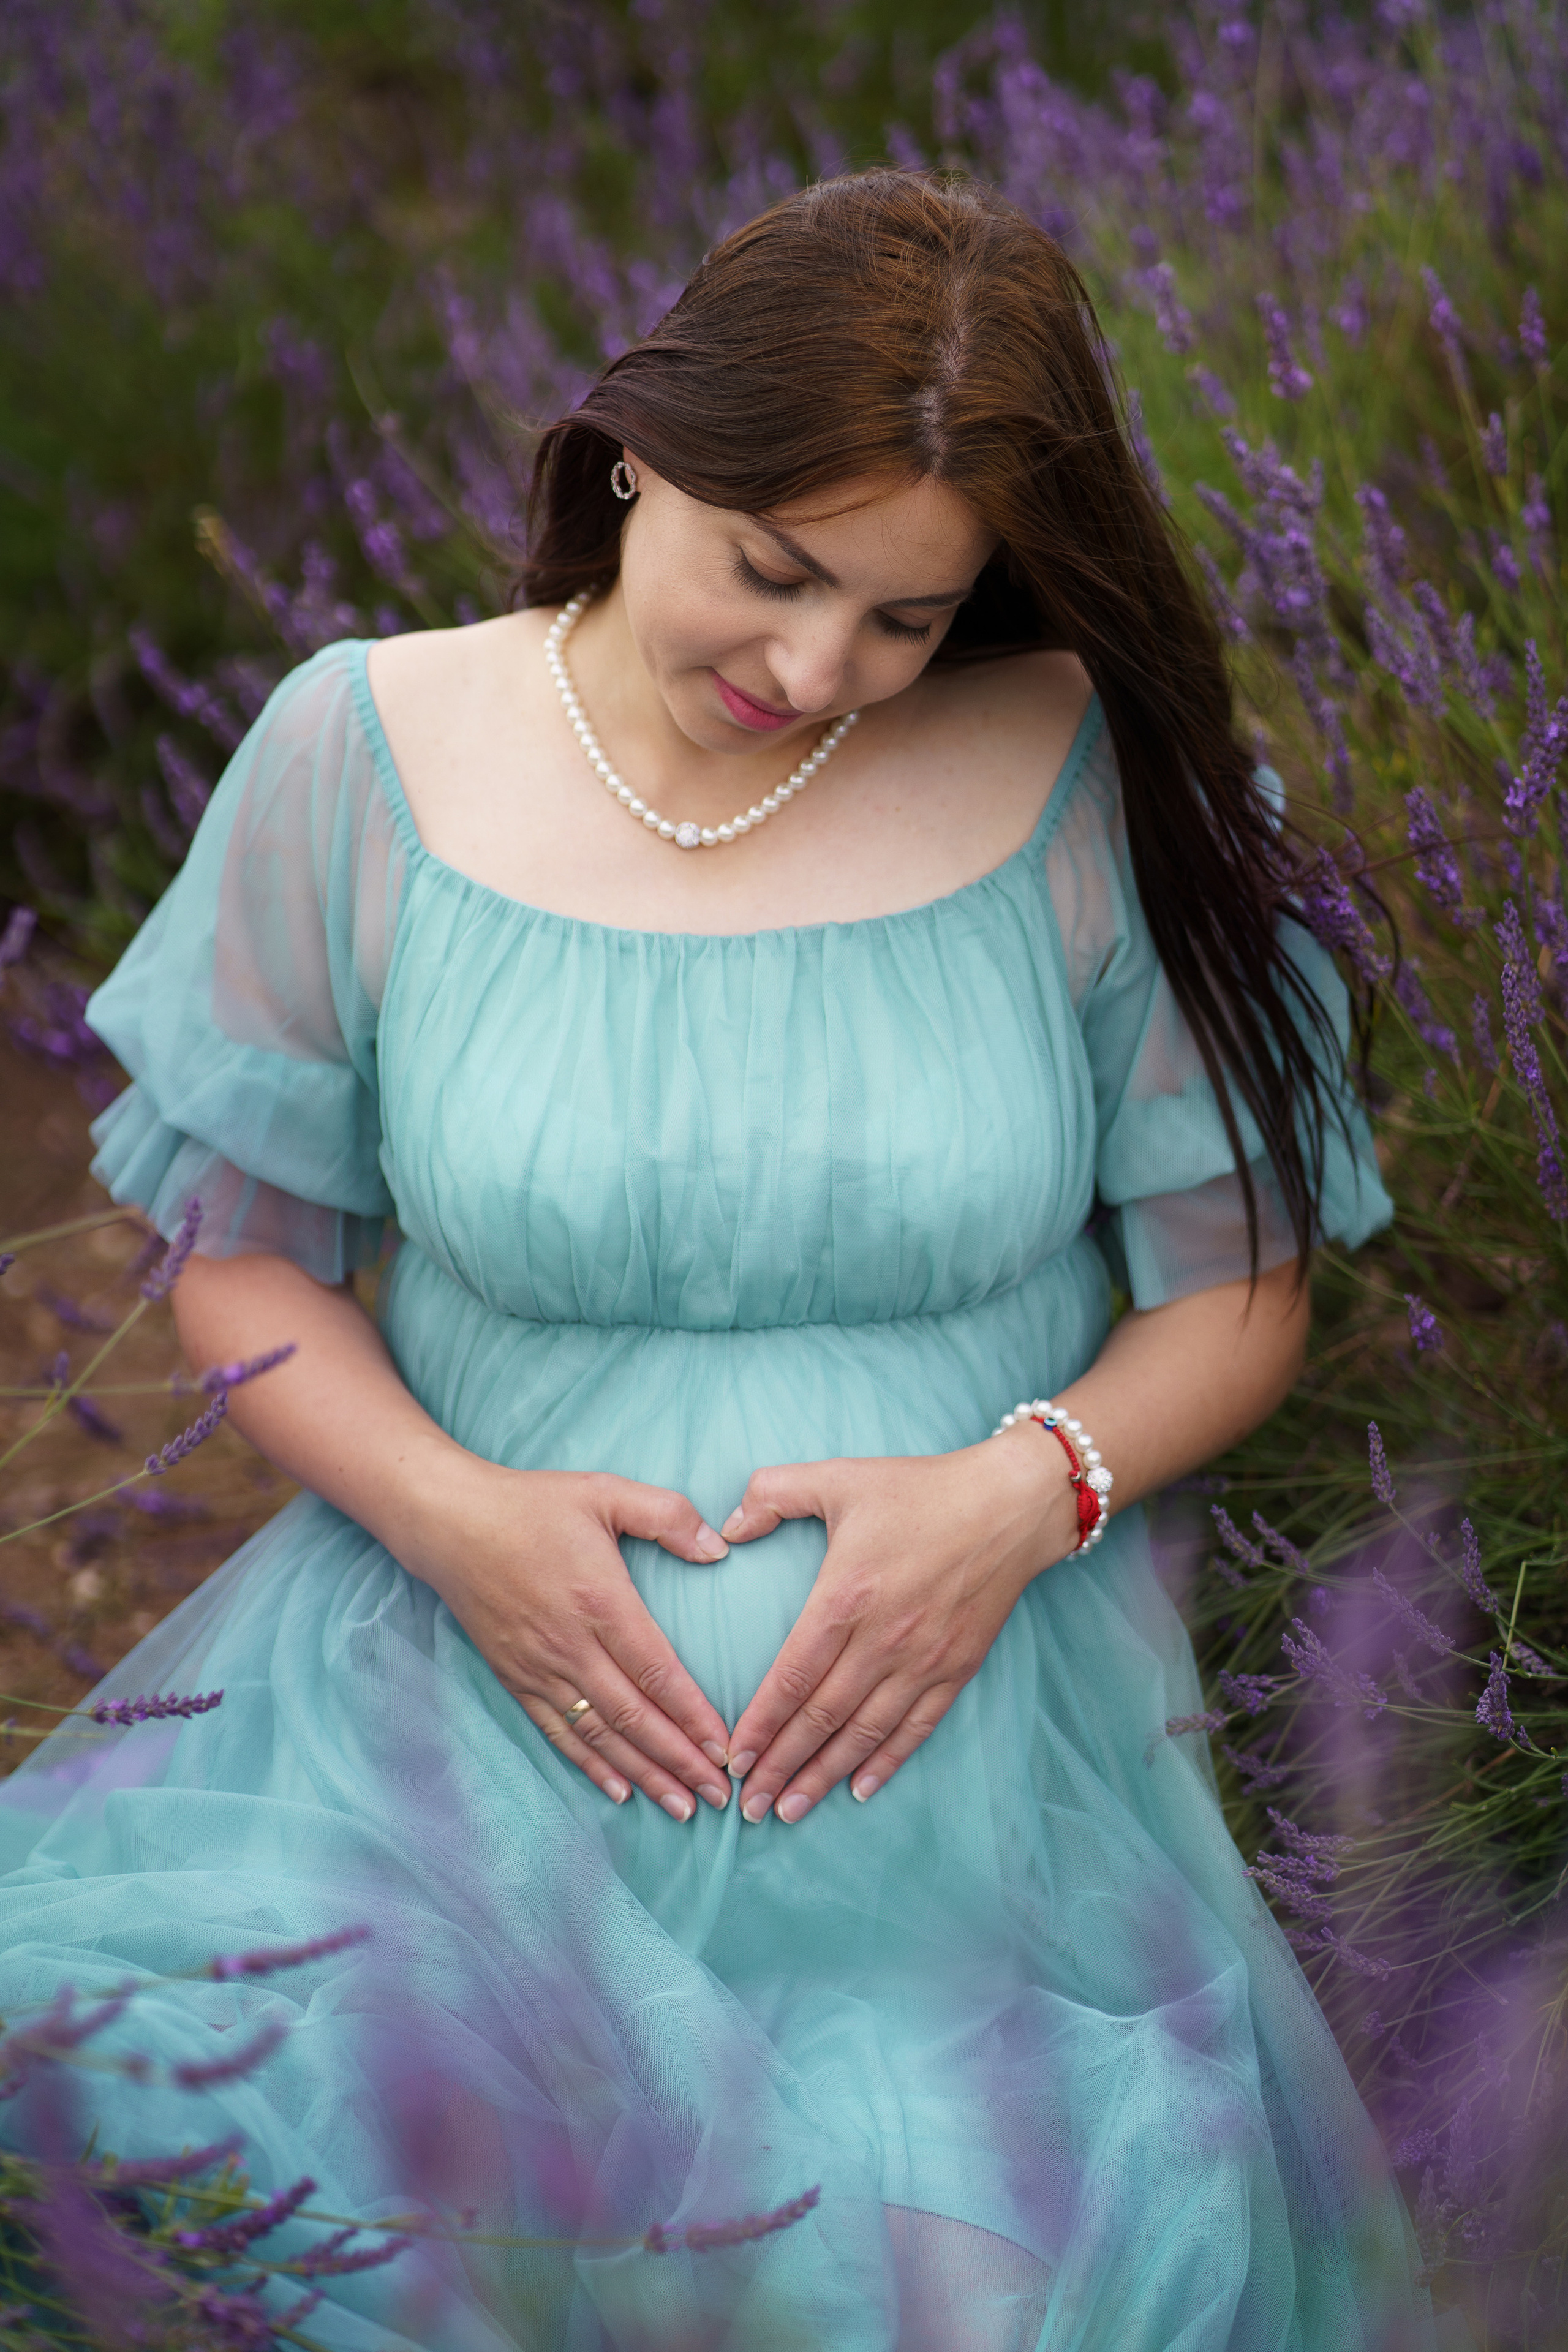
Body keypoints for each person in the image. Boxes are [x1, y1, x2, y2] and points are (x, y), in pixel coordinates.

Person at [0, 171, 1436, 2350]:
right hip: (450, 1729)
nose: (815, 669)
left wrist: (1019, 1494)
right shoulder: (363, 749)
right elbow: (246, 1264)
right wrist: (462, 1523)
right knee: (218, 2154)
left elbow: (1235, 1284)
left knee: (984, 2264)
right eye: (773, 571)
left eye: (906, 619)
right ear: (637, 450)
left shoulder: (1073, 763)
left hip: (974, 1799)